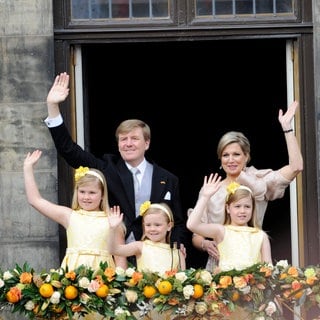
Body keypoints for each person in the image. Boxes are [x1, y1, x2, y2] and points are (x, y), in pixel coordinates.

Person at [44, 72, 188, 265]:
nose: (128, 144)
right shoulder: (107, 168)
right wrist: (53, 107)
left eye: (134, 138)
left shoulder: (168, 178)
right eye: (123, 139)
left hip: (155, 260)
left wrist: (176, 248)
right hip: (115, 257)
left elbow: (177, 222)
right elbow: (69, 150)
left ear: (147, 143)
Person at [190, 100, 303, 270]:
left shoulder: (258, 180)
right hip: (219, 265)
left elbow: (296, 167)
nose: (231, 160)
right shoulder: (211, 188)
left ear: (246, 156)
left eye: (236, 154)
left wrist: (287, 127)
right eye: (225, 155)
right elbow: (196, 233)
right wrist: (206, 244)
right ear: (220, 159)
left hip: (252, 263)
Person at [23, 149, 127, 271]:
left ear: (103, 195)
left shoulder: (112, 220)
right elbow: (35, 200)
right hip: (72, 280)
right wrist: (27, 168)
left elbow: (120, 260)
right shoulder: (69, 216)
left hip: (102, 281)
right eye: (82, 192)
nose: (86, 197)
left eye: (92, 193)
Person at [187, 173, 273, 272]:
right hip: (226, 285)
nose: (242, 211)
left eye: (247, 206)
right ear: (228, 208)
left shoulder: (261, 235)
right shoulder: (221, 230)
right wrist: (205, 197)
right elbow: (192, 225)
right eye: (237, 206)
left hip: (253, 285)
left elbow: (268, 268)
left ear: (253, 209)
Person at [107, 201, 186, 274]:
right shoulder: (140, 246)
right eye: (148, 225)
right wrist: (112, 229)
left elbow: (183, 279)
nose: (152, 229)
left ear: (169, 226)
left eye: (157, 225)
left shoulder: (177, 252)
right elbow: (113, 250)